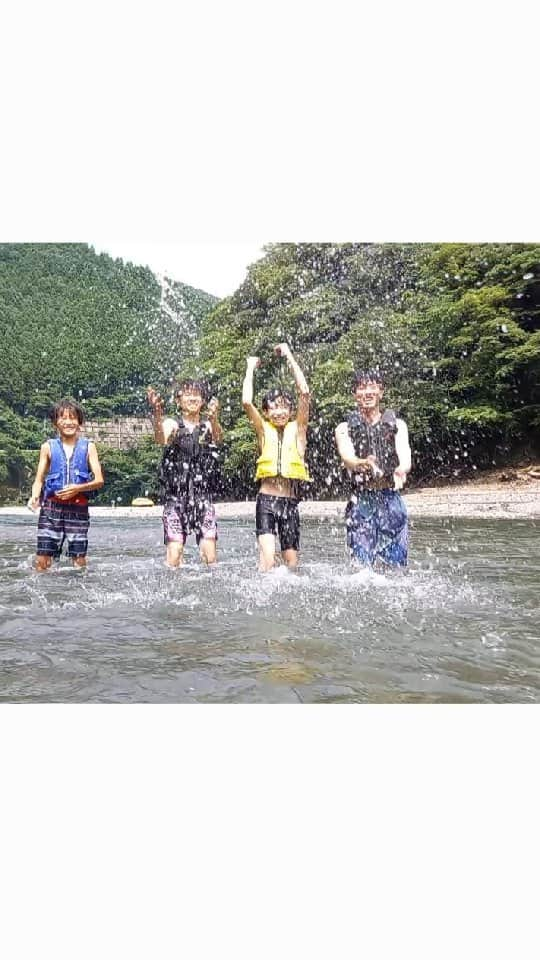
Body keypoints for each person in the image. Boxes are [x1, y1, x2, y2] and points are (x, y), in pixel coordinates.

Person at [242, 343, 310, 572]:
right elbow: (246, 402)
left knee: (292, 564)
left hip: (290, 503)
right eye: (274, 407)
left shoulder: (299, 431)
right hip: (267, 502)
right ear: (266, 412)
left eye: (284, 407)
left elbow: (305, 392)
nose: (279, 412)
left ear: (290, 411)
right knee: (269, 560)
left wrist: (289, 354)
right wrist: (250, 368)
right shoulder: (263, 431)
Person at [334, 370, 411, 568]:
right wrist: (362, 463)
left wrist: (401, 469)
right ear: (354, 394)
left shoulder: (398, 425)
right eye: (361, 387)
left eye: (372, 387)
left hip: (390, 499)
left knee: (395, 566)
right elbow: (347, 457)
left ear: (381, 392)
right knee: (361, 567)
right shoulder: (344, 428)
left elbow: (405, 454)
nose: (367, 392)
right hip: (361, 501)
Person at [147, 378, 223, 567]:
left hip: (202, 498)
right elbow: (160, 439)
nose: (193, 398)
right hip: (175, 498)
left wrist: (214, 417)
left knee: (210, 557)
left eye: (196, 394)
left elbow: (219, 439)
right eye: (187, 394)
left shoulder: (207, 426)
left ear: (203, 400)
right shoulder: (173, 424)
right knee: (174, 553)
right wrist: (157, 414)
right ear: (178, 400)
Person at [27, 399, 104, 571]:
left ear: (80, 422)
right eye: (63, 418)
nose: (68, 422)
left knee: (78, 560)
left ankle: (77, 593)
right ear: (55, 422)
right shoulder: (47, 447)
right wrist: (34, 496)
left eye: (73, 418)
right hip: (51, 509)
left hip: (78, 510)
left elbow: (99, 480)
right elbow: (39, 479)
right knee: (43, 560)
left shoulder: (89, 447)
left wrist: (77, 488)